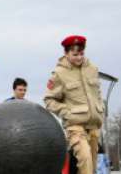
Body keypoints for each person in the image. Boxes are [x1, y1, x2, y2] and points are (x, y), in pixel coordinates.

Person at [44, 35, 104, 174]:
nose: (79, 57)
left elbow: (97, 93)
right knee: (85, 159)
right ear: (66, 53)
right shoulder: (59, 73)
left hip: (94, 126)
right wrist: (67, 112)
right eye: (75, 54)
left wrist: (100, 109)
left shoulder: (92, 69)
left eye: (81, 53)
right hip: (75, 126)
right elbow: (49, 100)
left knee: (92, 167)